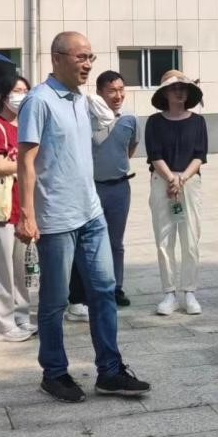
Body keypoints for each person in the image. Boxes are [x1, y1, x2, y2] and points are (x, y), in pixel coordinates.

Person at [17, 31, 150, 403]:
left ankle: (110, 371)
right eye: (81, 57)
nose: (88, 64)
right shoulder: (38, 101)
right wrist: (27, 214)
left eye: (91, 57)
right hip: (56, 218)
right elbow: (25, 161)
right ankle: (54, 373)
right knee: (55, 301)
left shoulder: (81, 100)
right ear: (57, 58)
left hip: (91, 213)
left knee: (104, 290)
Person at [145, 70, 209, 315]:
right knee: (164, 239)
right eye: (173, 89)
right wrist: (171, 178)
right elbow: (154, 155)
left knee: (191, 238)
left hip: (189, 182)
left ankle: (189, 291)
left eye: (182, 88)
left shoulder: (198, 121)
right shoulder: (154, 122)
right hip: (162, 181)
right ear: (165, 94)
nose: (179, 92)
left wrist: (182, 178)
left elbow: (200, 155)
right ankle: (169, 293)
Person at [0, 75, 36, 342]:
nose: (21, 96)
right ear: (3, 97)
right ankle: (1, 325)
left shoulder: (26, 127)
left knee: (21, 267)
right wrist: (29, 165)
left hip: (23, 206)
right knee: (1, 269)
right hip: (0, 208)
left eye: (25, 91)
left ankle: (21, 315)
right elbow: (0, 165)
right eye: (16, 91)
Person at [90, 70, 139, 308]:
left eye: (121, 90)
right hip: (92, 188)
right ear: (99, 92)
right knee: (91, 241)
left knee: (116, 242)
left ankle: (116, 287)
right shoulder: (88, 119)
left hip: (120, 187)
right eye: (111, 91)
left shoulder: (129, 119)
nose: (118, 95)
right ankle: (91, 288)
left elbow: (130, 148)